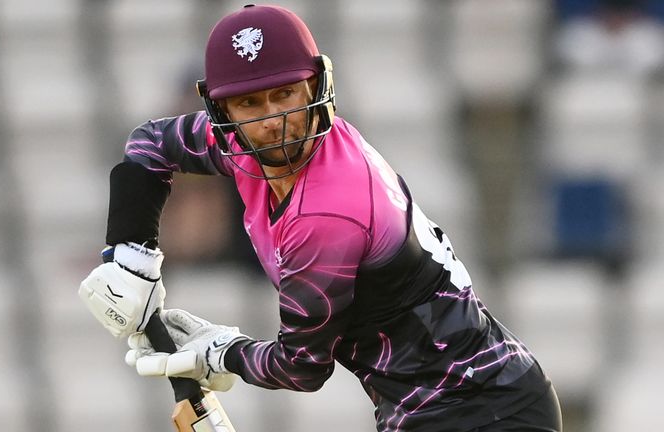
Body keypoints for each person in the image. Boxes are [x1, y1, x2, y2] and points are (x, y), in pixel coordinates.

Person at [78, 4, 563, 431]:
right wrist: (131, 255)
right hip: (425, 406)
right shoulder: (240, 146)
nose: (272, 121)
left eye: (286, 94)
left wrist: (218, 351)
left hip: (480, 410)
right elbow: (147, 145)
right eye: (249, 102)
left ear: (317, 87)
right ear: (221, 109)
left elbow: (302, 367)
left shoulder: (326, 212)